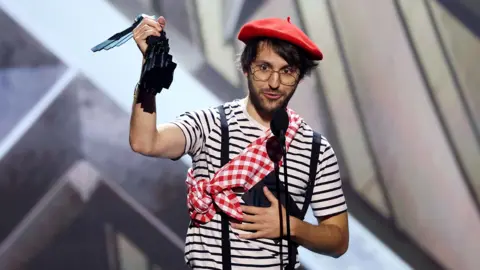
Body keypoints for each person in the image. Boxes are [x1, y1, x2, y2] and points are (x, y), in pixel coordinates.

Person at [130, 14, 349, 270]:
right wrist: (149, 73)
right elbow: (145, 142)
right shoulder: (209, 124)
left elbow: (338, 240)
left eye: (287, 71)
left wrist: (289, 226)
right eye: (264, 67)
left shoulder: (316, 150)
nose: (274, 82)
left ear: (299, 77)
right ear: (246, 67)